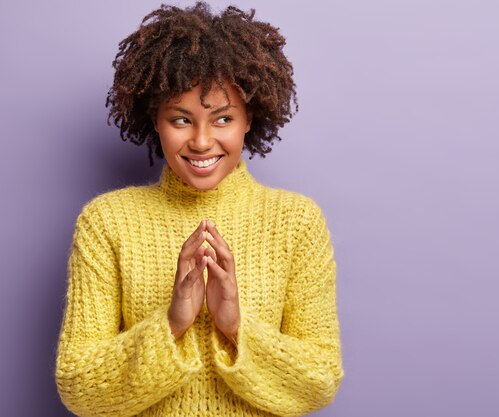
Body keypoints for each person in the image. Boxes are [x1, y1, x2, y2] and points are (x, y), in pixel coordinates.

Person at [54, 3, 344, 416]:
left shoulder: (297, 222)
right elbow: (79, 387)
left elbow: (320, 381)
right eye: (181, 119)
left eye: (223, 118)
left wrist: (236, 326)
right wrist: (171, 324)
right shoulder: (106, 222)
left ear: (250, 118)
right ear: (154, 119)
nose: (202, 141)